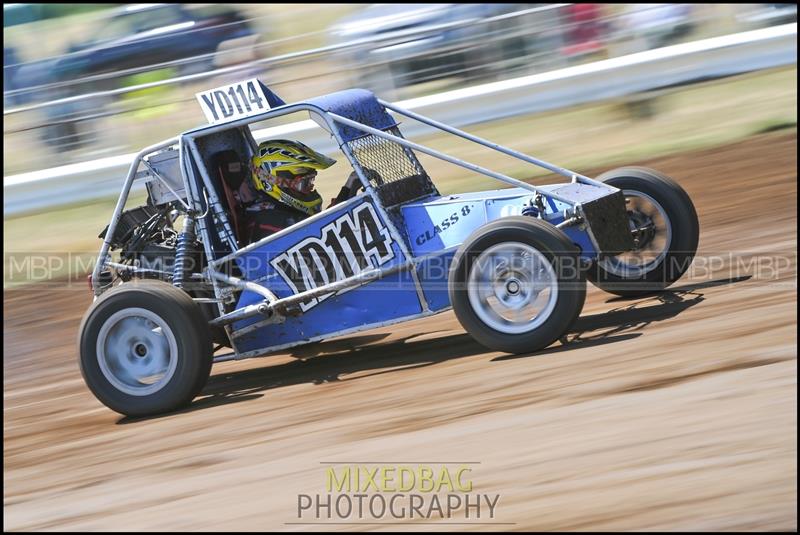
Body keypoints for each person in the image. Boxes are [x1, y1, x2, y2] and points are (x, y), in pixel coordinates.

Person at [237, 139, 337, 242]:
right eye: (304, 184)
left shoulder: (278, 210)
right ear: (270, 183)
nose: (310, 189)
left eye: (311, 182)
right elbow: (319, 238)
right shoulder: (267, 220)